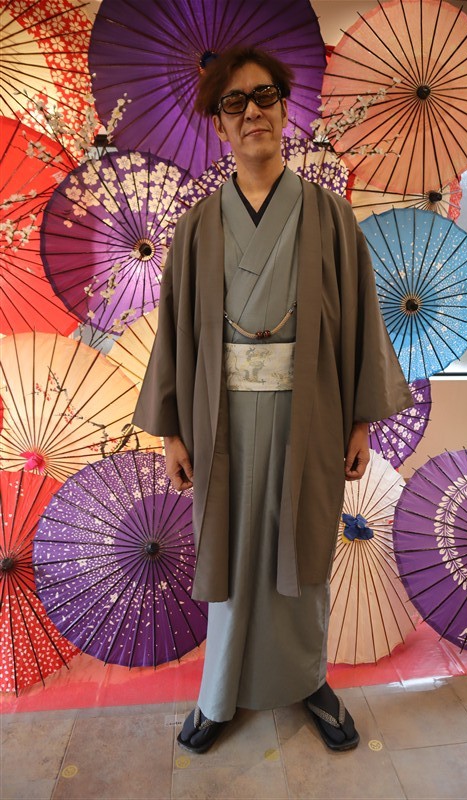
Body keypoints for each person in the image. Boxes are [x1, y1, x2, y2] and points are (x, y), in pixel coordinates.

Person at [133, 46, 412, 754]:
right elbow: (174, 333)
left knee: (303, 546)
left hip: (308, 412)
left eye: (264, 96)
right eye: (234, 102)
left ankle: (308, 680)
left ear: (284, 110)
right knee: (229, 552)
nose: (252, 111)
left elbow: (359, 320)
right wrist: (172, 433)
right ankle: (218, 693)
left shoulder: (329, 216)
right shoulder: (198, 226)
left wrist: (359, 421)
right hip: (219, 417)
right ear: (219, 124)